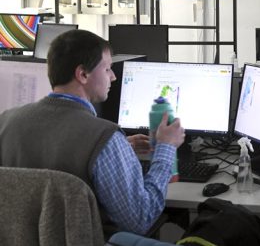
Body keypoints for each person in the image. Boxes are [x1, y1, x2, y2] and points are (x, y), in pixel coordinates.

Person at [0, 29, 186, 235]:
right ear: (83, 74)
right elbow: (140, 219)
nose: (113, 77)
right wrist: (166, 148)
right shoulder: (104, 138)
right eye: (107, 69)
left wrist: (121, 149)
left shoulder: (6, 121)